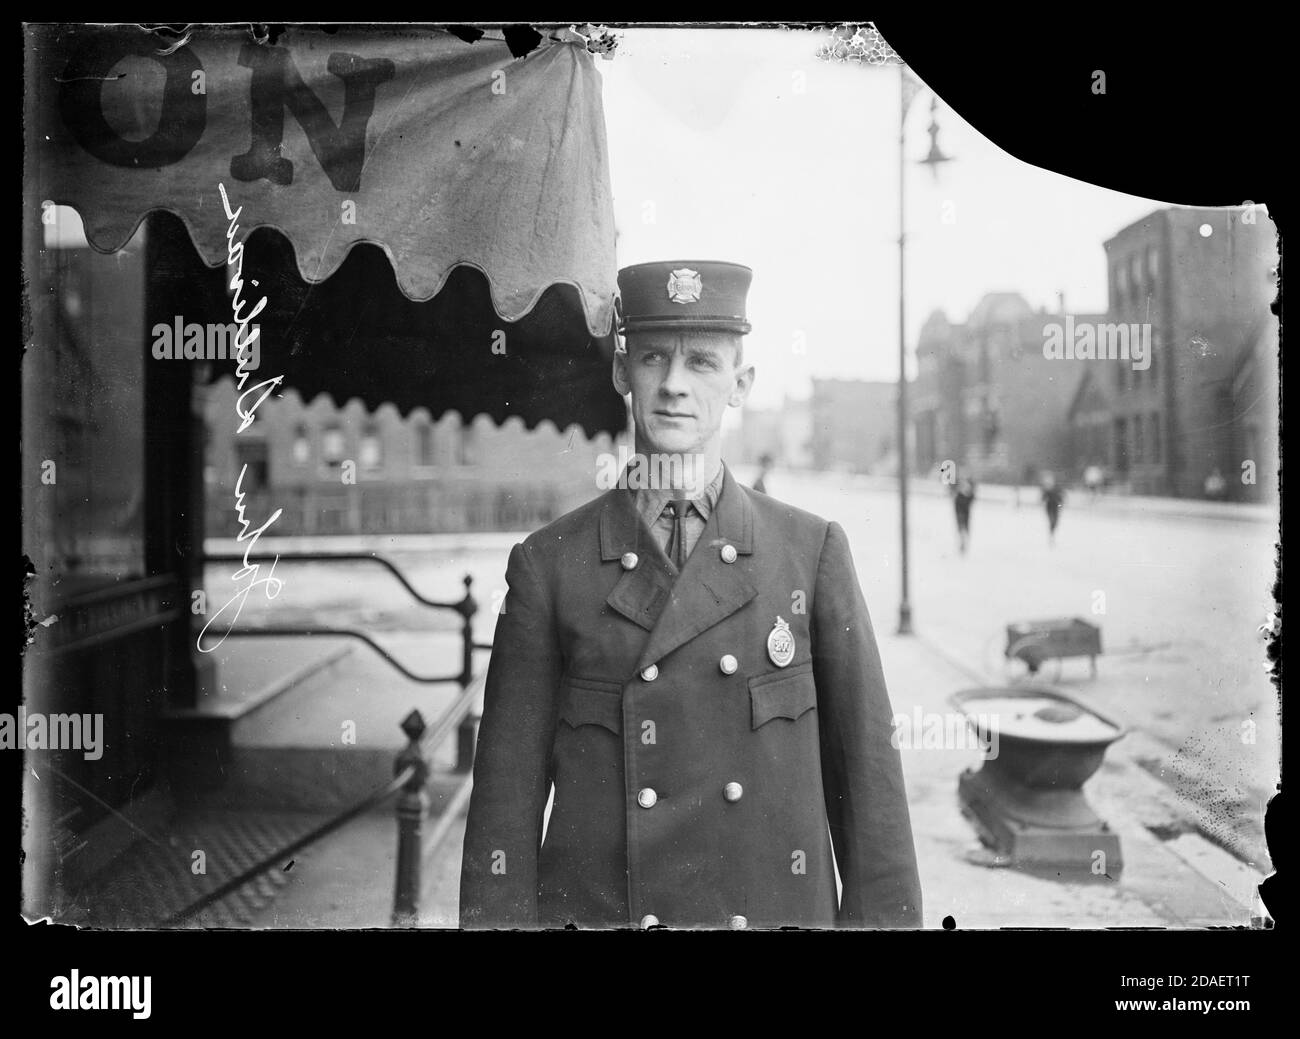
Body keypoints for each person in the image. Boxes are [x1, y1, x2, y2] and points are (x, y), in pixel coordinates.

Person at [459, 260, 922, 930]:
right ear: (623, 373)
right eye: (653, 358)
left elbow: (873, 796)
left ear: (742, 383)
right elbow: (504, 806)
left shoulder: (809, 552)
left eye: (703, 362)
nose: (675, 386)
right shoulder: (548, 566)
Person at [953, 476, 975, 554]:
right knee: (962, 528)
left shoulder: (966, 496)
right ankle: (962, 543)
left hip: (964, 514)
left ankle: (963, 543)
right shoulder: (960, 497)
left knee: (963, 528)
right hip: (961, 514)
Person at [1041, 471, 1065, 544]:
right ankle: (1051, 536)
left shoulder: (1058, 489)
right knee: (1052, 521)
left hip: (1056, 507)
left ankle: (1052, 534)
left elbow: (1061, 500)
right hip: (1049, 507)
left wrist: (1060, 506)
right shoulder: (1048, 489)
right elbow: (1043, 499)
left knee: (1055, 522)